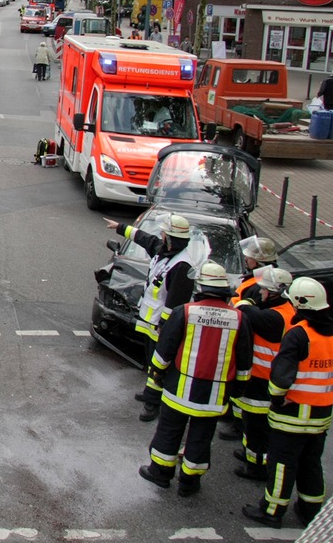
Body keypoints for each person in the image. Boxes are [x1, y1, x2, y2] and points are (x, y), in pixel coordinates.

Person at [242, 277, 333, 528]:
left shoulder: (299, 334)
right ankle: (310, 510)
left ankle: (272, 511)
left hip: (291, 415)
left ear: (299, 304)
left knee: (281, 464)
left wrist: (276, 399)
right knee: (311, 463)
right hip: (320, 416)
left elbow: (280, 376)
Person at [138, 262, 252, 497]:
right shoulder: (239, 319)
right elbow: (244, 360)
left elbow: (164, 350)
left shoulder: (186, 312)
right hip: (214, 395)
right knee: (201, 439)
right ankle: (189, 483)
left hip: (179, 388)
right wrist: (238, 388)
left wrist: (157, 375)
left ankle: (160, 473)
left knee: (169, 432)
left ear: (200, 286)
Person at [104, 213, 197, 422]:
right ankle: (150, 392)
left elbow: (175, 303)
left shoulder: (182, 266)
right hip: (150, 321)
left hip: (161, 325)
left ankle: (153, 403)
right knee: (150, 359)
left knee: (159, 362)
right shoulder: (165, 251)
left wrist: (164, 325)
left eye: (165, 234)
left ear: (172, 238)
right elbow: (146, 239)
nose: (161, 236)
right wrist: (120, 226)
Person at [230, 266, 295, 480]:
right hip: (264, 376)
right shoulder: (286, 310)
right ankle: (253, 456)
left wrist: (245, 301)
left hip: (262, 377)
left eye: (264, 290)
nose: (261, 293)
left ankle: (257, 467)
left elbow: (246, 310)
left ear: (273, 292)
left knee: (257, 426)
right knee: (253, 423)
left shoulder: (273, 317)